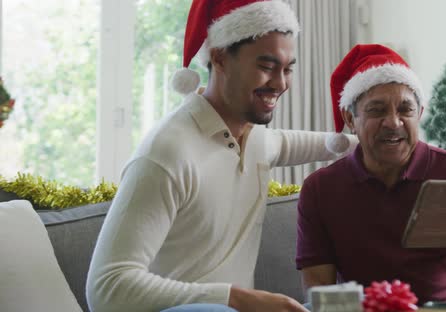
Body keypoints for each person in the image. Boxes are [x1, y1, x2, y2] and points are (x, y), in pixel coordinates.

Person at [86, 1, 355, 311]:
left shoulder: (254, 139)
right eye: (267, 67)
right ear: (219, 57)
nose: (280, 84)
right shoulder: (167, 152)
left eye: (288, 69)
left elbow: (301, 144)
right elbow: (107, 288)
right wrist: (236, 297)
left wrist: (378, 142)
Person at [296, 44, 446, 312]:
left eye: (405, 109)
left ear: (420, 113)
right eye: (377, 110)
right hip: (373, 309)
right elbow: (319, 290)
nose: (393, 122)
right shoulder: (321, 189)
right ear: (350, 118)